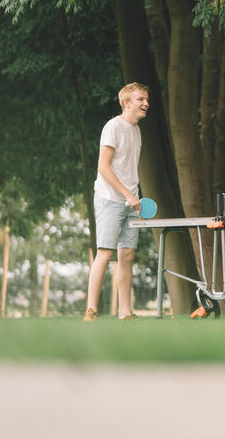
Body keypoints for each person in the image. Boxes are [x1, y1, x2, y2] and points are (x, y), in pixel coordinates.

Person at [84, 82, 149, 321]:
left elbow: (130, 169)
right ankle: (91, 309)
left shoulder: (136, 131)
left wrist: (137, 198)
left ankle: (125, 312)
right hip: (109, 198)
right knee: (105, 253)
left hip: (131, 200)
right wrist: (127, 195)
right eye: (141, 99)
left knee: (128, 255)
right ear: (127, 102)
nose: (146, 103)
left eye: (146, 99)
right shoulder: (113, 127)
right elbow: (103, 167)